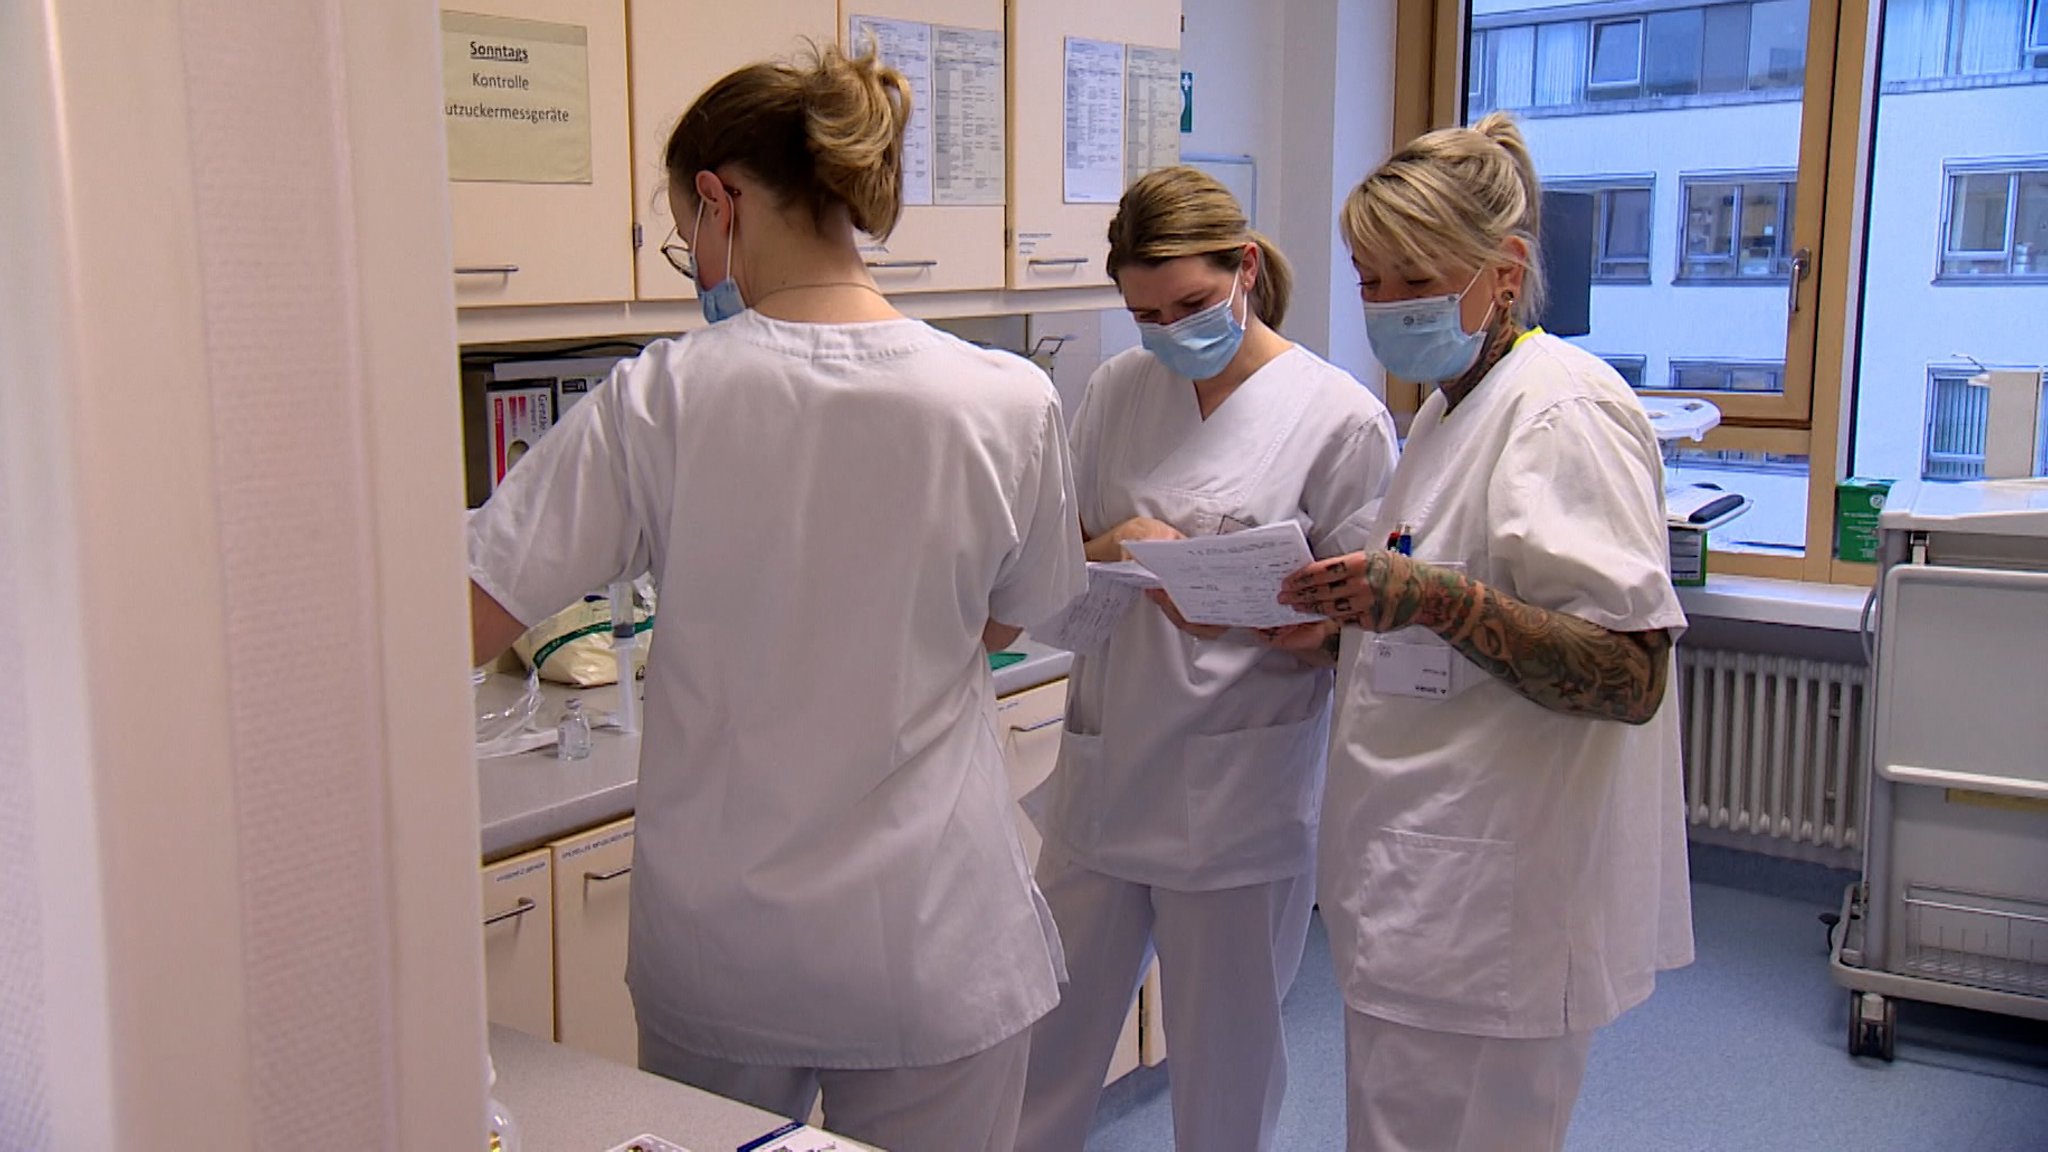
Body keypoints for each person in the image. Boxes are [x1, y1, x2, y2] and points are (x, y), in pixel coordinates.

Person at [466, 45, 1087, 1152]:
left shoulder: (658, 397)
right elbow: (1007, 620)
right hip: (932, 937)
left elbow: (470, 609)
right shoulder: (1006, 398)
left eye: (684, 233)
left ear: (720, 200)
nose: (694, 260)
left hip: (727, 948)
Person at [1275, 112, 1695, 1151]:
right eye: (1366, 280)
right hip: (1420, 886)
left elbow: (1626, 673)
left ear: (1502, 272)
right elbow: (1450, 613)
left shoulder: (1560, 412)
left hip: (1495, 904)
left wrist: (1426, 599)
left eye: (1408, 277)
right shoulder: (1447, 407)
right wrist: (1345, 629)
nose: (1381, 305)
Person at [1016, 166, 1398, 1152]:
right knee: (1041, 1054)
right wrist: (1114, 545)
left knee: (1225, 1069)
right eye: (1145, 313)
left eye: (1189, 303)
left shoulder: (1338, 416)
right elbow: (1060, 548)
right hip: (1107, 774)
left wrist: (1304, 623)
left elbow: (1374, 617)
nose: (1169, 331)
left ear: (1244, 268)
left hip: (1239, 787)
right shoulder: (1115, 389)